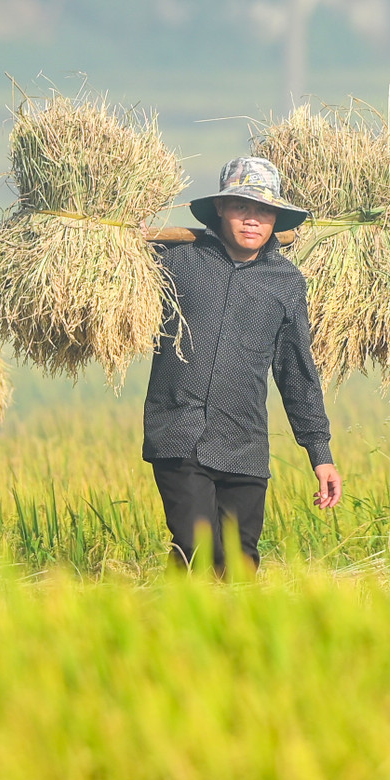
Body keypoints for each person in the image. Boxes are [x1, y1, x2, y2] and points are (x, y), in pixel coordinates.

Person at [144, 157, 342, 573]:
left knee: (239, 564)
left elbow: (297, 372)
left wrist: (319, 452)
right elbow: (117, 286)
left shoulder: (285, 282)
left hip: (244, 444)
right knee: (196, 551)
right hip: (180, 434)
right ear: (220, 209)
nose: (252, 220)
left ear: (276, 219)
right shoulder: (175, 263)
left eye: (264, 211)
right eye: (241, 207)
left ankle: (207, 633)